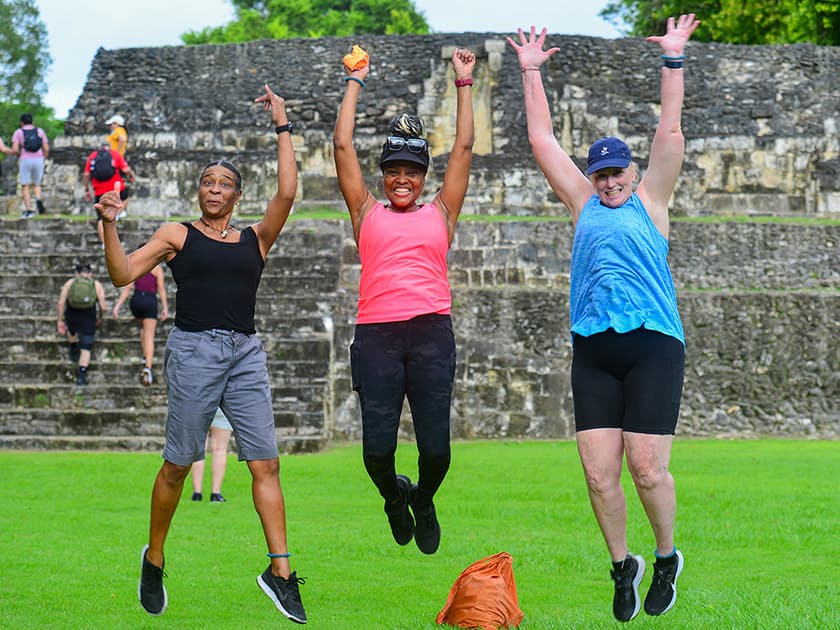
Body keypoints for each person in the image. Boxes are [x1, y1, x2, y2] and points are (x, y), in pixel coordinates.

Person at [507, 14, 700, 622]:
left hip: (652, 346)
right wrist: (530, 71)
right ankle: (623, 567)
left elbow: (669, 130)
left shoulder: (653, 200)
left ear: (633, 174)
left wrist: (673, 58)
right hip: (593, 348)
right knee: (597, 476)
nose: (610, 180)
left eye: (618, 171)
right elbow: (542, 142)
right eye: (602, 173)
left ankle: (665, 556)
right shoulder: (581, 203)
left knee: (647, 469)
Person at [96, 83, 306, 624]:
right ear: (199, 191)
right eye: (207, 182)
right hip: (194, 352)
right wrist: (108, 222)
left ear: (237, 195)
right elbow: (122, 273)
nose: (214, 189)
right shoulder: (177, 234)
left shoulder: (257, 239)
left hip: (246, 354)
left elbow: (288, 191)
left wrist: (282, 122)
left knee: (266, 461)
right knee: (177, 464)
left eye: (225, 184)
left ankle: (281, 573)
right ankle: (155, 557)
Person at [332, 47, 475, 555]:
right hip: (377, 338)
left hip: (432, 334)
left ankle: (425, 497)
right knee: (376, 454)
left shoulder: (441, 212)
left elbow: (463, 149)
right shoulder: (366, 211)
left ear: (423, 177)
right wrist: (357, 82)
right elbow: (342, 145)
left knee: (436, 452)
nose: (401, 179)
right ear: (383, 174)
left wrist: (463, 83)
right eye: (393, 170)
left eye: (411, 171)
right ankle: (396, 498)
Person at [111, 249, 169, 386]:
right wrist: (165, 307)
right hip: (150, 300)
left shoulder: (137, 266)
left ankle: (144, 356)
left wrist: (117, 306)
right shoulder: (157, 268)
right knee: (149, 334)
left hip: (136, 300)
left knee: (143, 328)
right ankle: (148, 367)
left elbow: (127, 288)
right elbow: (161, 288)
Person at [56, 263, 107, 386]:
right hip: (88, 317)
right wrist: (100, 317)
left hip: (72, 315)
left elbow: (61, 303)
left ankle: (73, 347)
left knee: (71, 330)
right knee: (86, 347)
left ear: (76, 273)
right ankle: (81, 375)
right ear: (90, 273)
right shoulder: (96, 284)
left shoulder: (70, 283)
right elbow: (103, 307)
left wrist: (59, 320)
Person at [82, 143, 135, 244]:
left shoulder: (92, 156)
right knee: (125, 199)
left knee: (101, 219)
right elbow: (126, 169)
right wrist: (132, 175)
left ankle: (104, 245)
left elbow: (86, 174)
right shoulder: (115, 154)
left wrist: (86, 189)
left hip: (99, 191)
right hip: (116, 189)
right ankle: (117, 214)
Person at [190, 407, 234, 502]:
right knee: (220, 449)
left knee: (199, 449)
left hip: (201, 403)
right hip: (222, 405)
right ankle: (216, 494)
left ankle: (197, 493)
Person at [10, 113, 49, 217]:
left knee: (25, 185)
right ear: (33, 122)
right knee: (37, 184)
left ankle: (29, 209)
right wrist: (43, 157)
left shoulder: (18, 132)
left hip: (25, 159)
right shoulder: (40, 131)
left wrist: (19, 154)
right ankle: (38, 199)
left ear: (21, 122)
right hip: (39, 159)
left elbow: (14, 149)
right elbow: (46, 148)